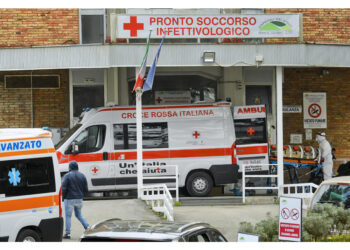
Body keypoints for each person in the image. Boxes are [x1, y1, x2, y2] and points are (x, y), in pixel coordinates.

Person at [62, 161, 89, 239]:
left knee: (68, 216)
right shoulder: (82, 175)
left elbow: (64, 188)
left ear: (70, 167)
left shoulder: (67, 176)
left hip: (69, 198)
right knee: (79, 215)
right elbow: (86, 189)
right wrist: (82, 195)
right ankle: (87, 227)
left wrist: (63, 197)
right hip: (79, 198)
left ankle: (67, 234)